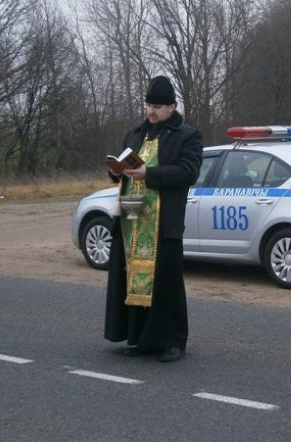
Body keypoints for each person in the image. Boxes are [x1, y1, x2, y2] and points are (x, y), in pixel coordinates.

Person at [104, 75, 203, 361]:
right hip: (134, 213)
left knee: (166, 281)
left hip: (164, 217)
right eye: (149, 105)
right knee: (134, 275)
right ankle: (141, 338)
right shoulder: (136, 134)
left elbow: (188, 172)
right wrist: (116, 170)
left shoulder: (188, 135)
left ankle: (172, 341)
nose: (151, 111)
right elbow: (123, 166)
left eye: (157, 106)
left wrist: (149, 173)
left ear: (172, 106)